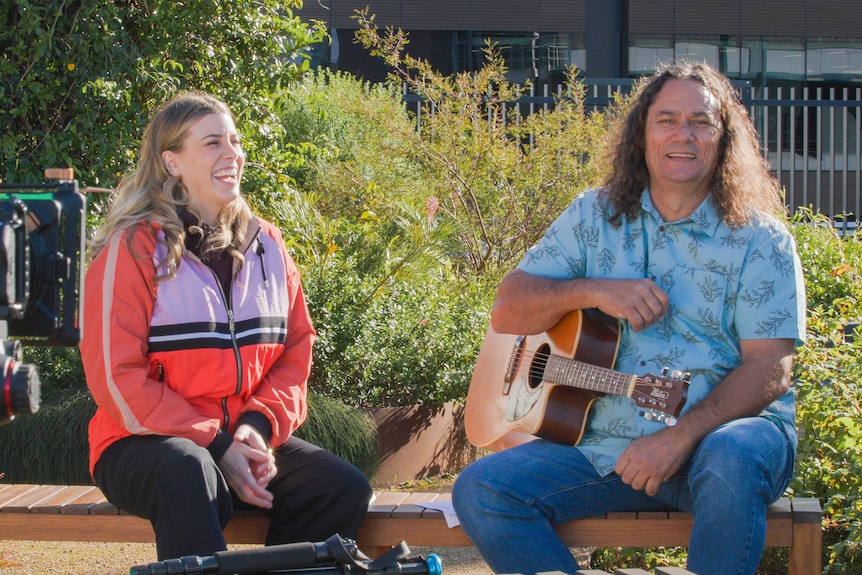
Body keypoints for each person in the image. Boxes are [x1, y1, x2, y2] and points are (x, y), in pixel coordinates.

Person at [452, 61, 807, 575]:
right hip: (608, 447)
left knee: (731, 455)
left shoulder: (761, 240)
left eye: (700, 122)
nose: (682, 134)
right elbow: (509, 308)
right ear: (641, 134)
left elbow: (771, 367)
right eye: (666, 119)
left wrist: (679, 438)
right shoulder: (591, 216)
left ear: (723, 137)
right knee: (482, 489)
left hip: (727, 439)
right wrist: (595, 288)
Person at [80, 92, 372, 561]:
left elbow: (297, 348)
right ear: (171, 162)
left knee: (339, 487)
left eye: (235, 141)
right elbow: (116, 378)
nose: (232, 153)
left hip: (238, 437)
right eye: (213, 142)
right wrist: (216, 444)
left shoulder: (268, 245)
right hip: (140, 444)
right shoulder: (132, 249)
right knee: (191, 470)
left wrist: (256, 429)